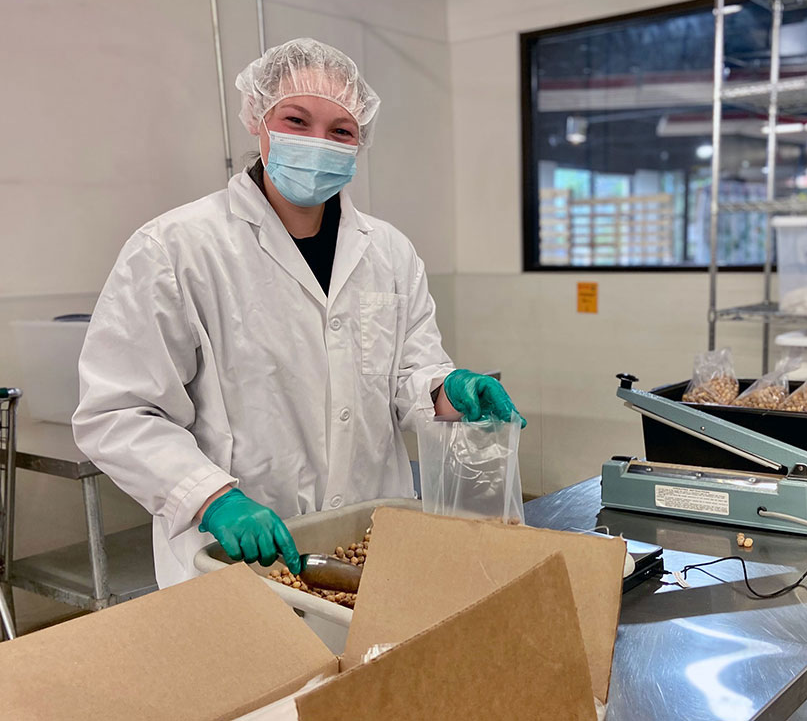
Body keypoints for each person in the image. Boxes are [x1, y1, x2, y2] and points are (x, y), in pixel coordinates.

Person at [73, 38, 524, 587]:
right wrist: (210, 497)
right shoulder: (175, 247)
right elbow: (118, 411)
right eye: (296, 120)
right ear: (257, 122)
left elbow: (410, 371)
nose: (319, 143)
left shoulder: (388, 251)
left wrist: (447, 389)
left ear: (360, 141)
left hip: (369, 538)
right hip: (234, 555)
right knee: (253, 672)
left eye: (340, 131)